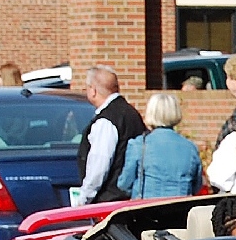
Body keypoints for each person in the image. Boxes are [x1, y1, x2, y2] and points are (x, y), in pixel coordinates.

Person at [77, 65, 146, 204]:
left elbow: (99, 165)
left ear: (93, 90)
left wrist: (84, 198)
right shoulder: (131, 113)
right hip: (130, 197)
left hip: (109, 201)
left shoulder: (106, 121)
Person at [117, 93, 202, 199]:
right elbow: (197, 186)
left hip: (146, 209)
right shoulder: (191, 148)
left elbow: (124, 183)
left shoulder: (138, 145)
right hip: (180, 210)